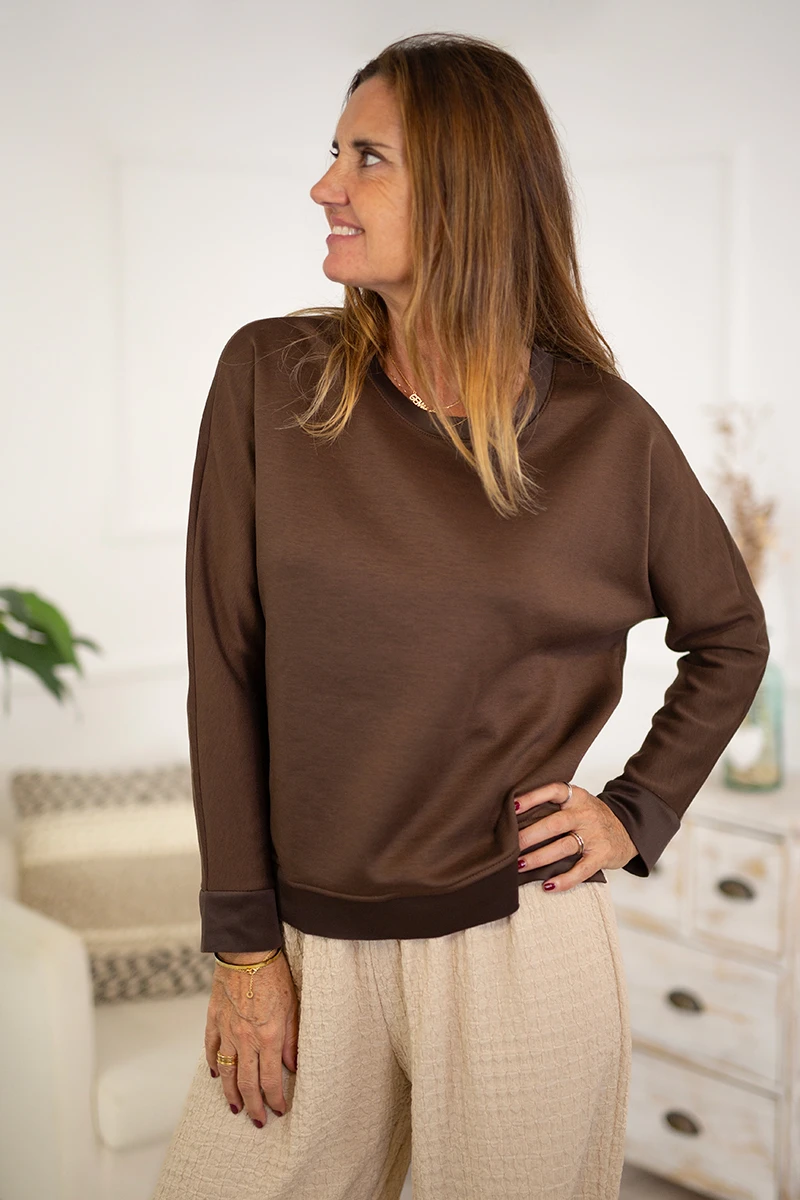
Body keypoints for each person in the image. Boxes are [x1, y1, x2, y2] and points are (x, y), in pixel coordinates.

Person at [153, 30, 770, 1200]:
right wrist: (242, 946)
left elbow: (729, 636)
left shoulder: (604, 433)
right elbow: (223, 663)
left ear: (465, 193)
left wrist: (632, 812)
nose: (324, 186)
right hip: (305, 946)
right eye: (333, 151)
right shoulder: (268, 380)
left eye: (366, 158)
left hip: (516, 945)